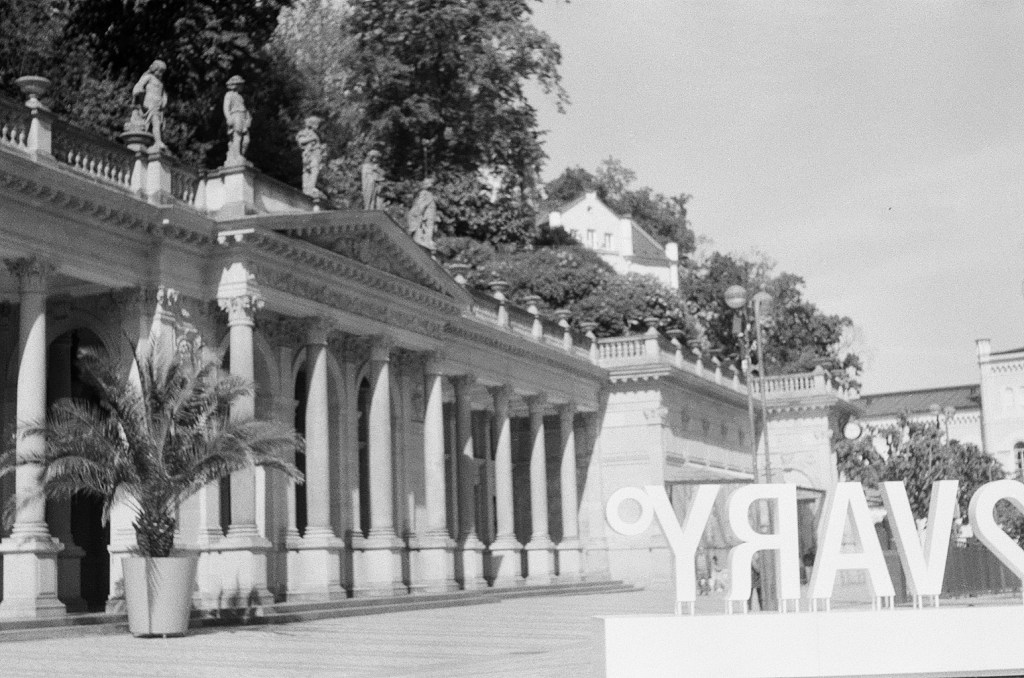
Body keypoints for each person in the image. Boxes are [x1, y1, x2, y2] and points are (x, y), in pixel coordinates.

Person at [131, 60, 168, 150]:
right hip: (149, 105)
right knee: (156, 122)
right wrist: (138, 91)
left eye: (162, 72)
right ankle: (158, 142)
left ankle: (154, 142)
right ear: (154, 69)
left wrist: (164, 100)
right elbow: (139, 85)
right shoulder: (149, 77)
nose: (160, 74)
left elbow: (164, 94)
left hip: (157, 106)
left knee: (158, 124)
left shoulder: (161, 83)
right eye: (159, 71)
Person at [223, 75, 251, 165]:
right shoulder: (229, 94)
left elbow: (244, 109)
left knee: (246, 140)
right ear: (236, 85)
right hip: (235, 116)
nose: (242, 87)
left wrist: (248, 118)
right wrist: (228, 118)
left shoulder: (240, 97)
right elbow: (226, 107)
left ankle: (241, 156)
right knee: (237, 137)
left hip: (243, 117)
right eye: (241, 85)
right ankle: (237, 156)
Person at [296, 116, 326, 199]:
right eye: (317, 124)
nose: (318, 126)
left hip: (315, 155)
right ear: (312, 124)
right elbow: (301, 141)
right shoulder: (305, 132)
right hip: (309, 154)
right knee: (311, 170)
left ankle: (309, 188)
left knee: (312, 170)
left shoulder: (314, 134)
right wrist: (312, 139)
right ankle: (308, 188)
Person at [406, 177, 438, 251]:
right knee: (427, 229)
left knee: (427, 230)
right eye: (425, 182)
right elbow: (420, 207)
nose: (424, 184)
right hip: (426, 218)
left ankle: (427, 241)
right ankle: (426, 241)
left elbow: (420, 207)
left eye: (427, 183)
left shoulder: (427, 194)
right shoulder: (426, 194)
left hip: (427, 219)